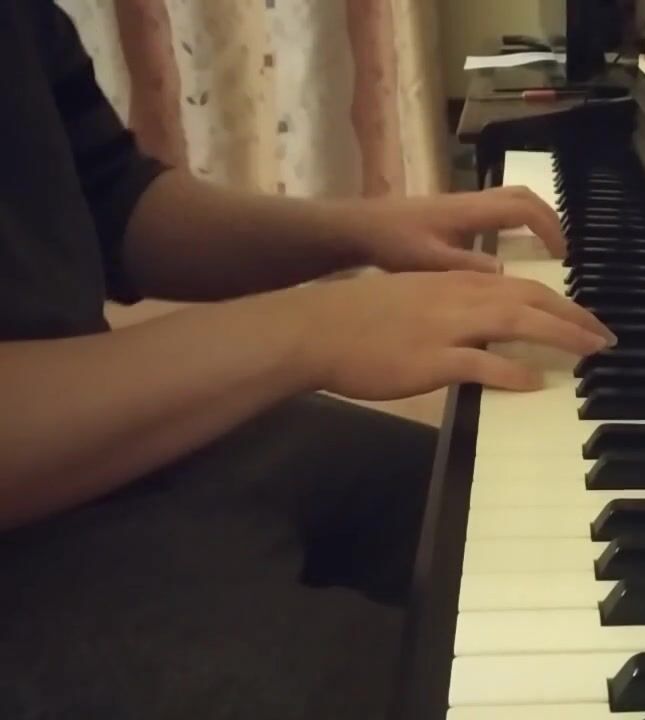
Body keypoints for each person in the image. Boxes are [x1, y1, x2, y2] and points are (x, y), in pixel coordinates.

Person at [0, 3, 613, 718]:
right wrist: (312, 331)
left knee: (525, 507)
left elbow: (114, 202)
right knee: (504, 694)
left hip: (104, 444)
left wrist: (363, 230)